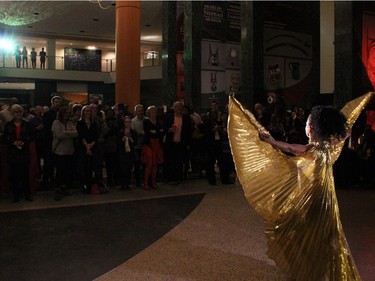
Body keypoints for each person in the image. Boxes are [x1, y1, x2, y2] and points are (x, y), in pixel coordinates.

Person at [227, 92, 374, 281]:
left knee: (297, 229)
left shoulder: (313, 150)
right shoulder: (328, 147)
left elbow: (289, 148)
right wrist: (346, 131)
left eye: (307, 123)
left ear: (311, 129)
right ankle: (322, 270)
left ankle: (312, 270)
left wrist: (271, 142)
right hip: (327, 201)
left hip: (314, 200)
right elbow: (342, 134)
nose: (306, 125)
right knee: (325, 237)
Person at [2, 104, 34, 202]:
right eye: (16, 112)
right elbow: (3, 139)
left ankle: (27, 194)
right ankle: (15, 195)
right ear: (12, 113)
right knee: (14, 175)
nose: (18, 114)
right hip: (13, 152)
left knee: (25, 174)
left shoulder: (27, 124)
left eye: (19, 112)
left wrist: (24, 142)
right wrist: (13, 142)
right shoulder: (8, 124)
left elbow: (32, 137)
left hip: (24, 151)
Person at [51, 106, 78, 201]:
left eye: (68, 113)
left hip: (69, 151)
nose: (67, 115)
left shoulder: (70, 122)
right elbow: (59, 135)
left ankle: (64, 187)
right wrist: (69, 133)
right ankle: (57, 189)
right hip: (59, 151)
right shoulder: (56, 123)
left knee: (67, 171)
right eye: (65, 113)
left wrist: (66, 132)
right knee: (59, 171)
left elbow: (76, 133)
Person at [141, 106, 164, 190]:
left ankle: (153, 182)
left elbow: (161, 133)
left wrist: (155, 132)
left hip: (157, 144)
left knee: (155, 164)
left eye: (155, 112)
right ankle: (146, 182)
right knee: (149, 163)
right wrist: (156, 132)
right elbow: (148, 133)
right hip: (149, 144)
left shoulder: (158, 123)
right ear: (149, 114)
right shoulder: (146, 122)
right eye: (152, 112)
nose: (154, 114)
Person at [118, 116, 137, 190]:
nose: (127, 123)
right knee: (123, 169)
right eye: (126, 122)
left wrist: (129, 137)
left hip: (130, 153)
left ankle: (127, 184)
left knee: (129, 169)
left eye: (129, 122)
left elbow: (135, 143)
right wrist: (124, 137)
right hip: (123, 153)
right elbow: (119, 143)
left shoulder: (133, 132)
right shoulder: (120, 132)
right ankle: (122, 184)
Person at [131, 104, 147, 187]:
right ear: (135, 112)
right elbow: (132, 133)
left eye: (141, 110)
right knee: (137, 164)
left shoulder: (147, 120)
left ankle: (145, 180)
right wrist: (139, 133)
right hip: (137, 146)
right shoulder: (133, 121)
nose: (140, 112)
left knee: (145, 164)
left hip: (145, 145)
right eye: (139, 110)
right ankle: (137, 181)